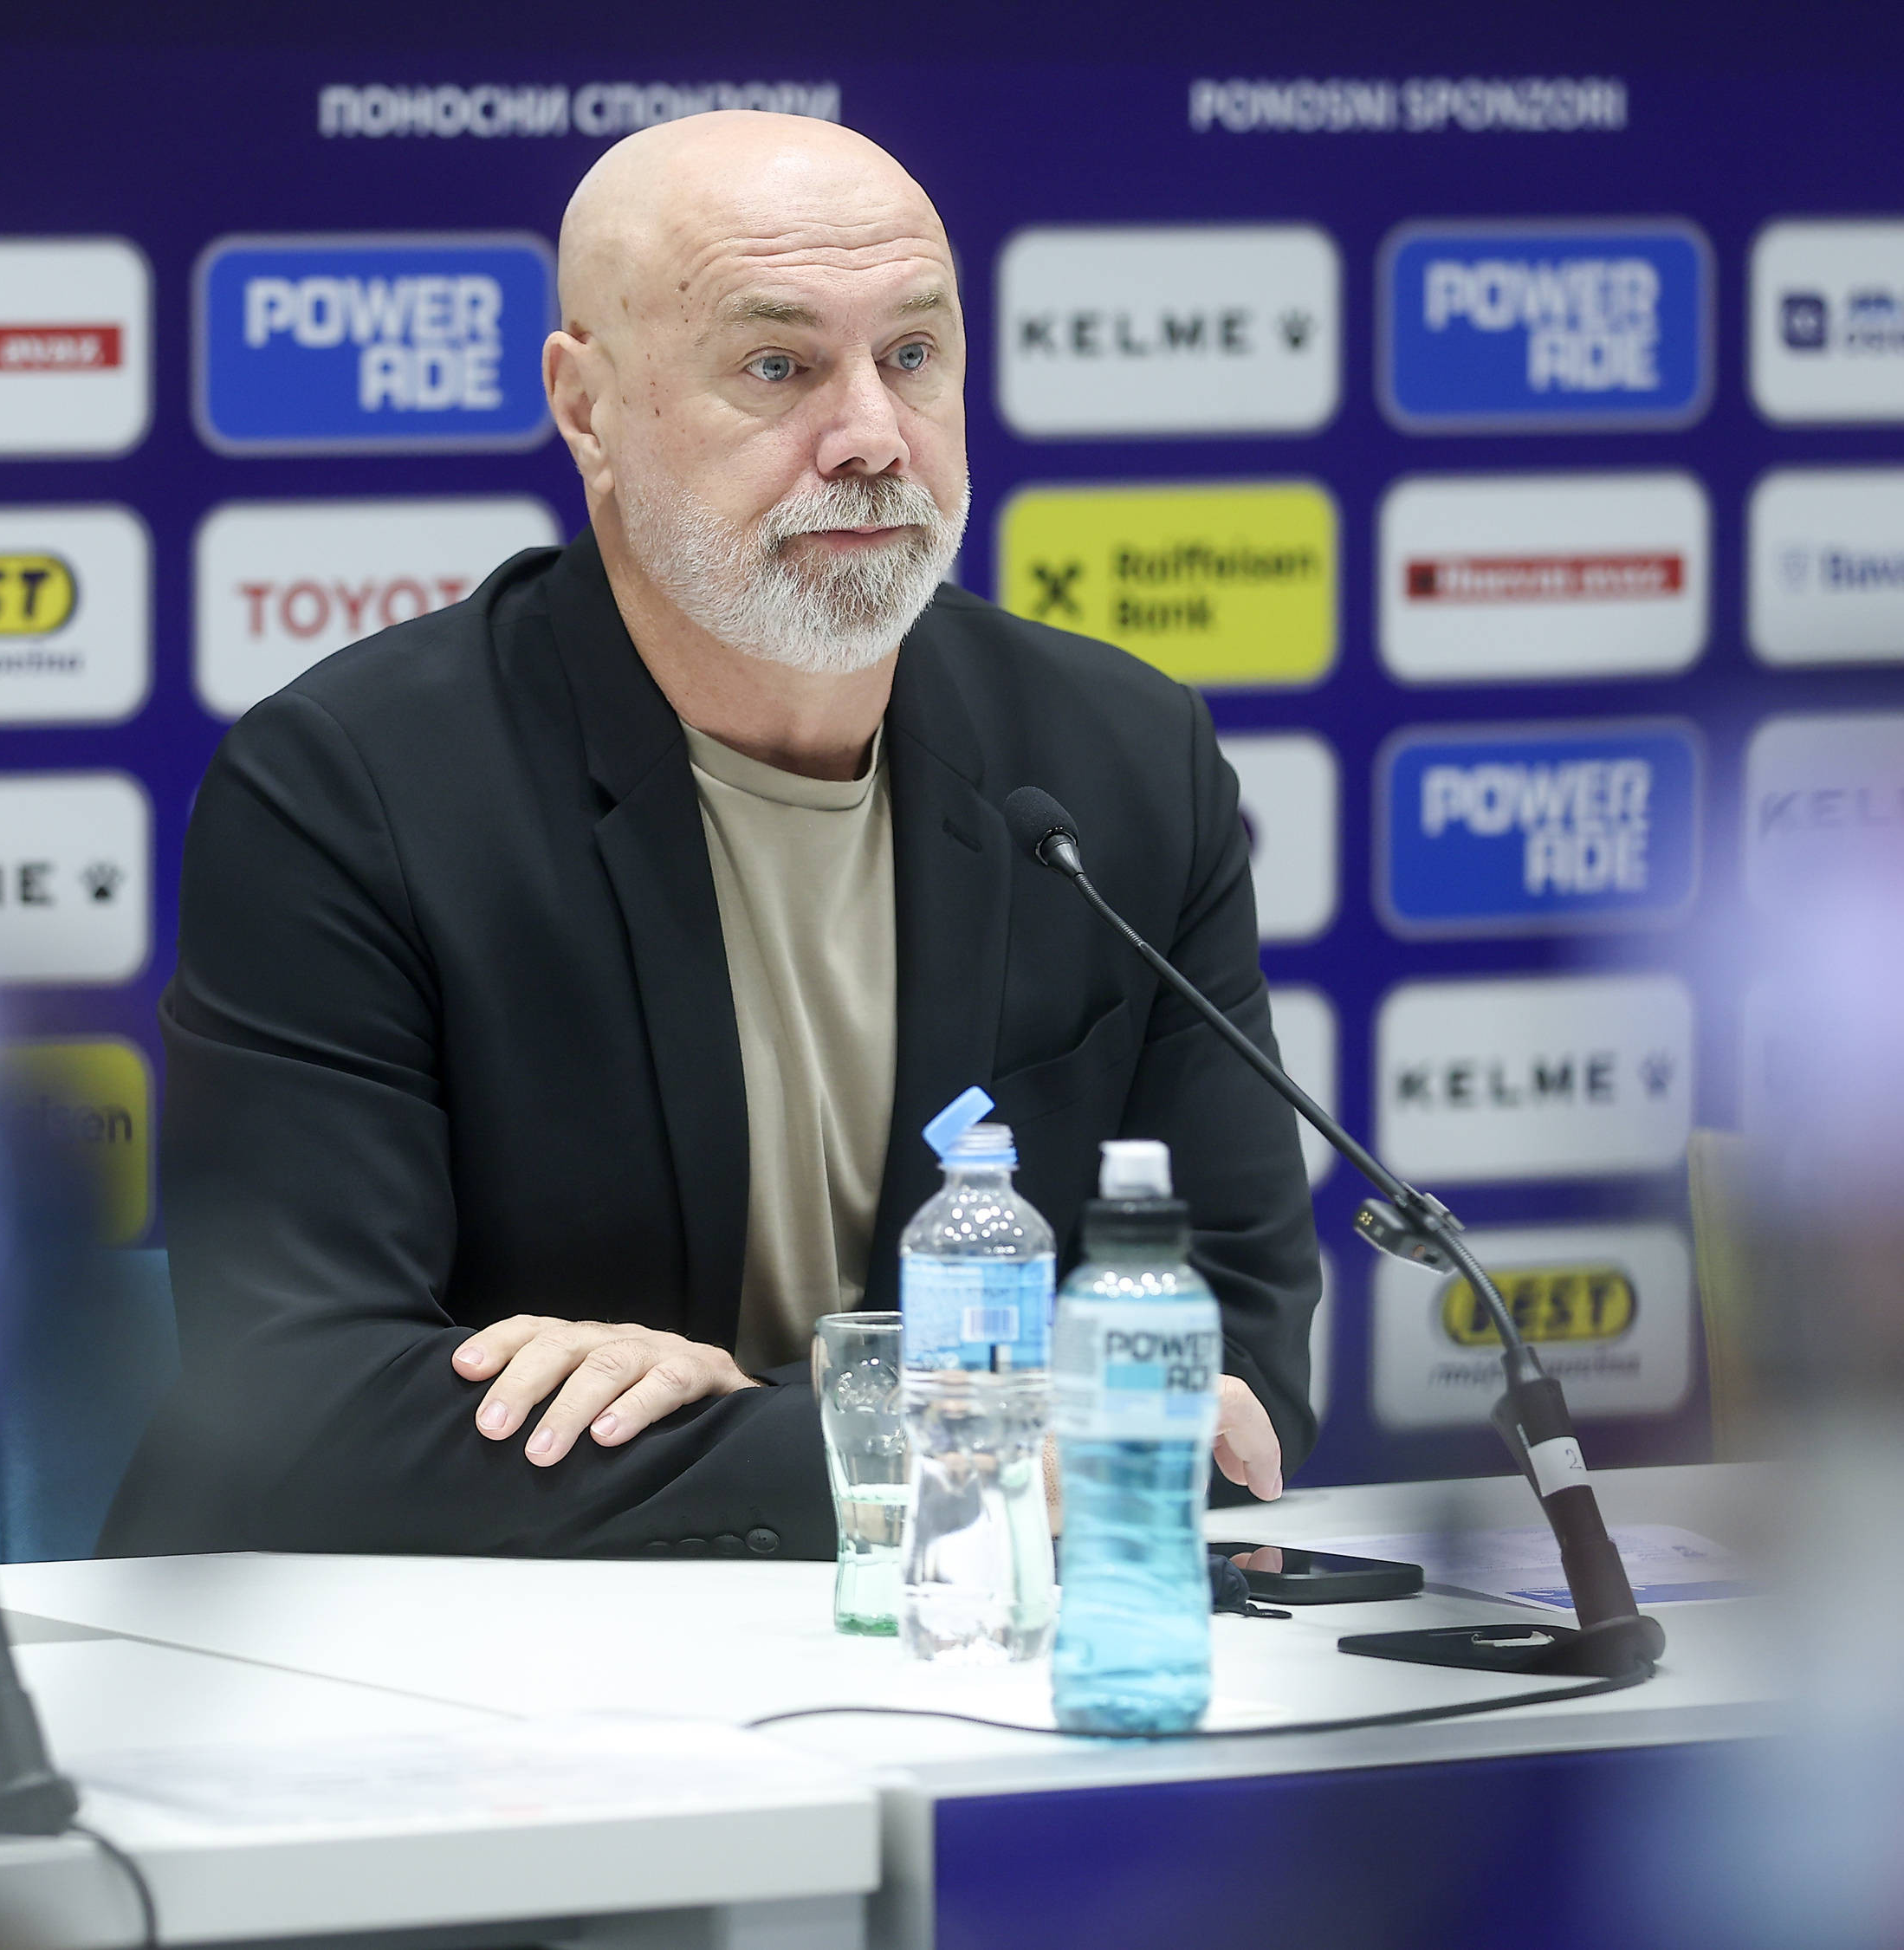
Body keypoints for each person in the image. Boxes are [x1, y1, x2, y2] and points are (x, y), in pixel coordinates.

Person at [99, 112, 1320, 1559]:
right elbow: (306, 1406)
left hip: (954, 1636)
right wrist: (891, 1440)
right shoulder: (349, 789)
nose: (871, 435)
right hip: (439, 1664)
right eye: (777, 367)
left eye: (912, 355)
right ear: (588, 409)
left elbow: (1239, 1369)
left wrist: (765, 1416)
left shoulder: (1120, 762)